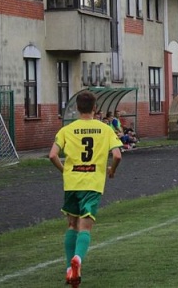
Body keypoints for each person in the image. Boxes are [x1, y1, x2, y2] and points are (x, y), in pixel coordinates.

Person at [49, 90, 123, 287]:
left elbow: (52, 155)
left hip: (72, 183)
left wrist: (64, 170)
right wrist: (112, 170)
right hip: (92, 184)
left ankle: (69, 268)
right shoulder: (105, 129)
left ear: (76, 108)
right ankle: (78, 259)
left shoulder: (67, 129)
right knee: (85, 228)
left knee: (72, 225)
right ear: (95, 108)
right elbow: (117, 155)